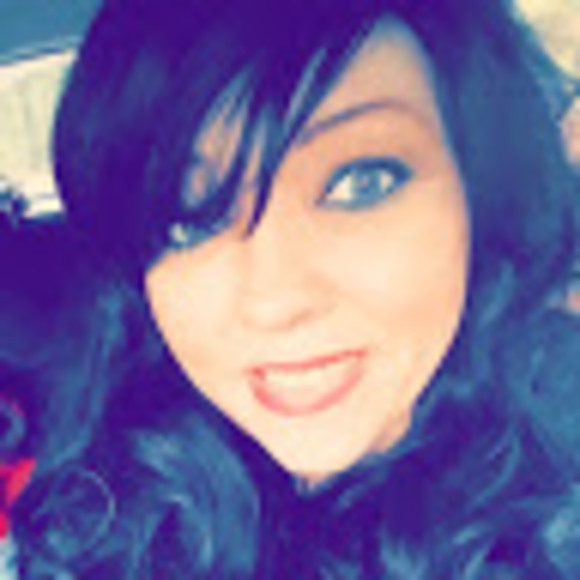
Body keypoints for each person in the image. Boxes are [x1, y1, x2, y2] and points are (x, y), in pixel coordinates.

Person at [1, 0, 580, 576]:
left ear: (479, 199)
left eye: (361, 182)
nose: (273, 304)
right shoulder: (90, 513)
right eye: (188, 222)